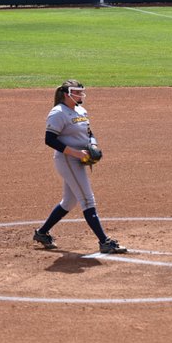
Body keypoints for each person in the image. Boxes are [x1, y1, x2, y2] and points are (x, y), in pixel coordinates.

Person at [31, 80, 126, 254]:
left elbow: (89, 133)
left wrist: (93, 146)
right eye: (77, 92)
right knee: (87, 200)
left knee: (69, 201)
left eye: (82, 92)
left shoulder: (81, 111)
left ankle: (42, 233)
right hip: (67, 160)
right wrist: (77, 153)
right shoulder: (58, 113)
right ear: (67, 94)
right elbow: (49, 140)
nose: (81, 95)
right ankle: (104, 242)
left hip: (78, 159)